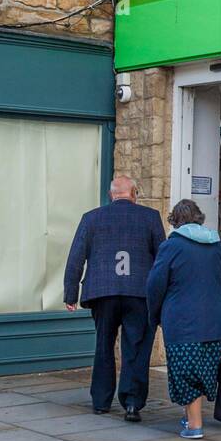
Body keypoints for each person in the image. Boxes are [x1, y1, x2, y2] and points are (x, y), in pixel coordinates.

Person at [64, 176, 166, 421]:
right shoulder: (150, 217)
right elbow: (163, 260)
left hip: (103, 292)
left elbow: (75, 257)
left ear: (111, 195)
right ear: (134, 193)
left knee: (103, 345)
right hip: (139, 294)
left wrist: (71, 294)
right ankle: (132, 403)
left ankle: (101, 401)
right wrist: (164, 296)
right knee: (136, 347)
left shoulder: (91, 218)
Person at [146, 199, 221, 440]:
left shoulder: (171, 246)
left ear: (175, 221)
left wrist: (153, 314)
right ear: (199, 218)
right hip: (214, 322)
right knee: (202, 371)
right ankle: (191, 418)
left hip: (181, 321)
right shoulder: (219, 248)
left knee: (185, 373)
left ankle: (195, 425)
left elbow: (155, 285)